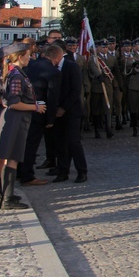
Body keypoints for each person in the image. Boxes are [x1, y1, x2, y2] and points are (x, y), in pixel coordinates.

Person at [0, 42, 47, 209]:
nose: (30, 58)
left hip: (19, 120)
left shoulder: (17, 73)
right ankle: (6, 198)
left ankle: (8, 195)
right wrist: (35, 107)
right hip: (15, 120)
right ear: (20, 57)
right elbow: (14, 103)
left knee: (13, 158)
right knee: (10, 158)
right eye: (28, 55)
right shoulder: (17, 76)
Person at [17, 44, 62, 186]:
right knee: (32, 144)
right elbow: (52, 96)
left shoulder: (30, 65)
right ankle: (27, 176)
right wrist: (51, 118)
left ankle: (19, 171)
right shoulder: (54, 72)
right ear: (57, 57)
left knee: (22, 142)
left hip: (24, 108)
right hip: (39, 111)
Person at [52, 40, 88, 184]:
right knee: (60, 142)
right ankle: (62, 171)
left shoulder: (72, 67)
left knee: (74, 142)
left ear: (58, 56)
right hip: (57, 111)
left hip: (72, 110)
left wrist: (63, 108)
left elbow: (76, 91)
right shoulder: (52, 68)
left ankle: (82, 171)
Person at [88, 40, 115, 139]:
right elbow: (93, 68)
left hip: (108, 87)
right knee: (96, 109)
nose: (104, 49)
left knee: (108, 108)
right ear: (98, 48)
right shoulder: (93, 59)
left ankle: (108, 129)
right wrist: (99, 75)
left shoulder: (112, 58)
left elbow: (116, 72)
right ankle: (96, 130)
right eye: (102, 47)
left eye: (106, 47)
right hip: (97, 87)